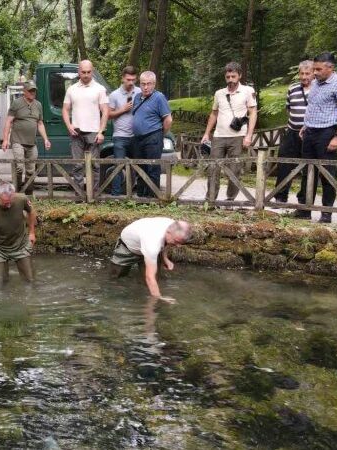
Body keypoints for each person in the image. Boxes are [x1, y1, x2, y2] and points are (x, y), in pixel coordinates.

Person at [296, 52, 337, 223]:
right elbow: (314, 106)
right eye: (314, 69)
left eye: (318, 69)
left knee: (326, 173)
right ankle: (305, 210)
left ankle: (326, 212)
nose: (315, 72)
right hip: (310, 132)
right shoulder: (314, 83)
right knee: (307, 172)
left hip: (327, 132)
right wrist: (305, 125)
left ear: (330, 67)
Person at [201, 62, 257, 204]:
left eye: (233, 76)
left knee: (234, 170)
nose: (230, 79)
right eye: (228, 77)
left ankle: (230, 200)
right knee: (213, 168)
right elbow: (214, 114)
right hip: (219, 136)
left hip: (238, 136)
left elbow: (253, 113)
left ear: (239, 76)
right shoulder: (219, 93)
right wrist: (207, 133)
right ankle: (210, 200)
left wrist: (249, 135)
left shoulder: (248, 91)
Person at [109, 217, 191, 301]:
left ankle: (143, 294)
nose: (178, 246)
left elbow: (166, 242)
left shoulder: (173, 226)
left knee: (151, 281)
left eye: (180, 243)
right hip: (129, 247)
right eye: (176, 241)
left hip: (149, 247)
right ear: (168, 232)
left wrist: (165, 258)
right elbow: (150, 277)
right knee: (116, 277)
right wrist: (159, 298)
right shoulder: (152, 242)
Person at [62, 60, 109, 195]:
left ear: (92, 71)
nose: (86, 75)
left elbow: (105, 111)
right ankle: (79, 194)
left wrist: (101, 131)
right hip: (76, 132)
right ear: (79, 72)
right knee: (77, 165)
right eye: (83, 72)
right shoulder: (71, 89)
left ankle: (93, 194)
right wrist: (69, 125)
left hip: (94, 132)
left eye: (89, 72)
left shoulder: (100, 89)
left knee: (95, 165)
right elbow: (65, 110)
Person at [1, 81, 51, 195]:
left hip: (32, 143)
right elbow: (8, 122)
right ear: (24, 91)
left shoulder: (38, 104)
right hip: (18, 140)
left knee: (31, 170)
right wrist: (5, 140)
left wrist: (46, 139)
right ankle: (17, 191)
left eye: (34, 90)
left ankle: (28, 193)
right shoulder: (16, 103)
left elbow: (40, 123)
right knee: (19, 167)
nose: (33, 93)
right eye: (30, 90)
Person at [274, 61, 313, 204]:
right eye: (301, 73)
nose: (304, 77)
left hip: (310, 134)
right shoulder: (293, 88)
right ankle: (280, 196)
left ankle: (303, 199)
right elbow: (288, 108)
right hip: (291, 132)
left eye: (307, 73)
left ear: (313, 73)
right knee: (284, 163)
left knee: (308, 165)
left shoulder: (319, 89)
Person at [131, 71, 172, 198]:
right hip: (138, 138)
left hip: (153, 136)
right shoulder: (137, 97)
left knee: (152, 167)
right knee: (140, 166)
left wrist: (160, 134)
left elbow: (168, 120)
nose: (146, 87)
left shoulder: (159, 97)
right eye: (143, 84)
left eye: (149, 84)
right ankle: (141, 195)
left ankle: (153, 196)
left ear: (154, 84)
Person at [107, 66, 141, 195]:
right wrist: (123, 109)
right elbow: (108, 115)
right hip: (120, 136)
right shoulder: (114, 95)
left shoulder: (140, 92)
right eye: (128, 79)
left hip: (136, 136)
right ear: (122, 78)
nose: (131, 82)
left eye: (133, 79)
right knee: (119, 166)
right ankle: (116, 194)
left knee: (138, 164)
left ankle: (139, 194)